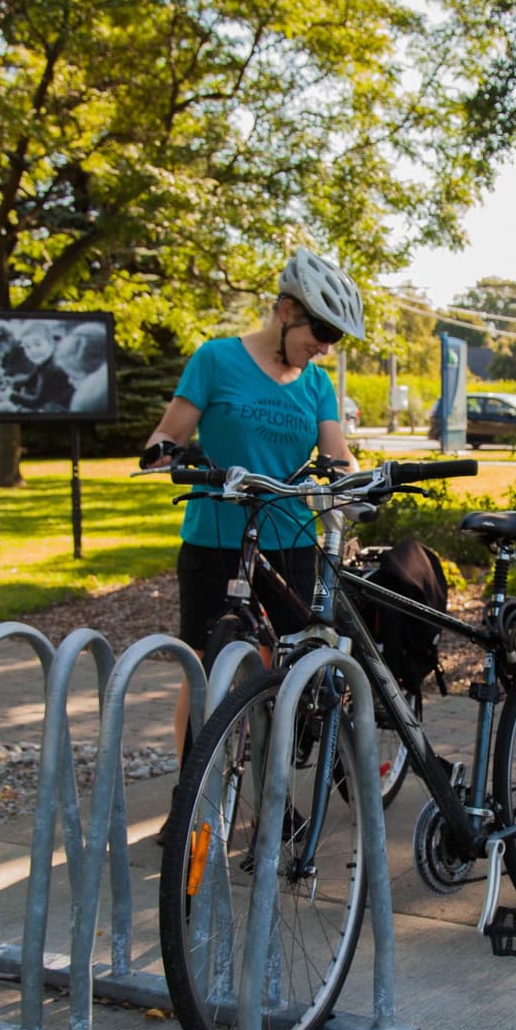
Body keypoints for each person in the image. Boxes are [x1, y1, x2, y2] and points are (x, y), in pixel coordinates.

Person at [140, 247, 365, 744]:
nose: (325, 347)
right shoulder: (216, 359)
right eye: (321, 332)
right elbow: (169, 433)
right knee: (204, 663)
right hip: (216, 532)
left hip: (290, 536)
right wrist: (162, 453)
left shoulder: (317, 384)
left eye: (336, 337)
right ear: (286, 311)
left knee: (303, 655)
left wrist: (355, 487)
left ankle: (295, 766)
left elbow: (337, 453)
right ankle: (189, 799)